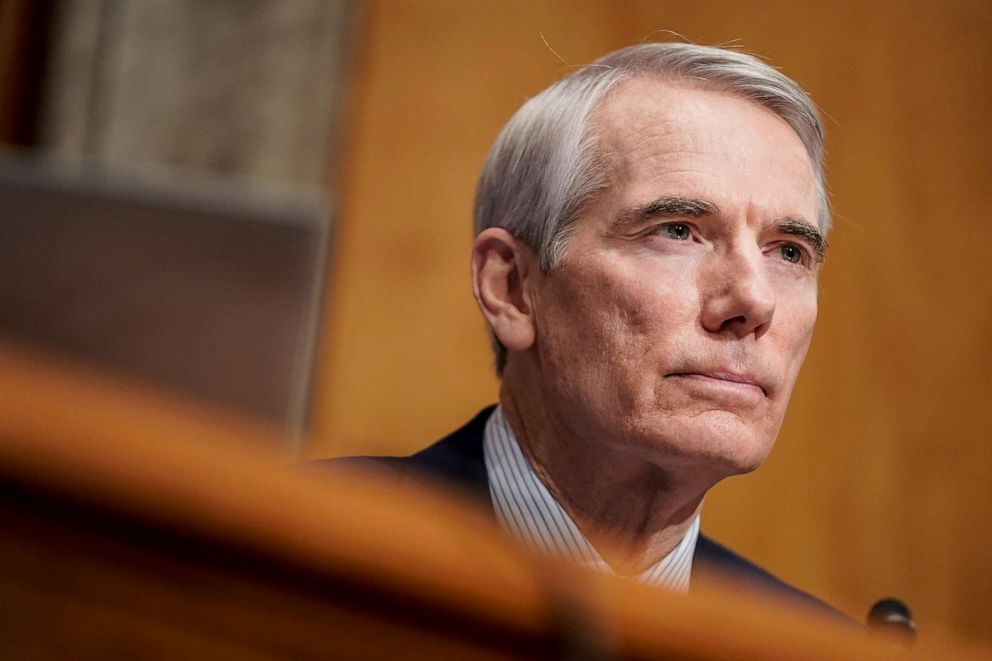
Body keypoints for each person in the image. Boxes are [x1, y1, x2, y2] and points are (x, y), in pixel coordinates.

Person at [334, 42, 835, 612]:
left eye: (789, 252)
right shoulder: (303, 556)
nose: (753, 299)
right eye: (676, 231)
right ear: (513, 288)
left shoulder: (817, 646)